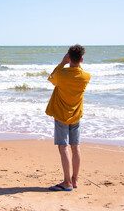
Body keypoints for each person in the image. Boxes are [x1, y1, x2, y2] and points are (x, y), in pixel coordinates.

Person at [46, 44, 91, 191]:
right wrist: (74, 64)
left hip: (61, 114)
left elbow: (51, 78)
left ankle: (67, 182)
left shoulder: (61, 74)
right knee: (75, 147)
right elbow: (79, 71)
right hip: (76, 115)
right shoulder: (86, 77)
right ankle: (75, 180)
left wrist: (62, 63)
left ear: (68, 57)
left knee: (63, 147)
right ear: (82, 59)